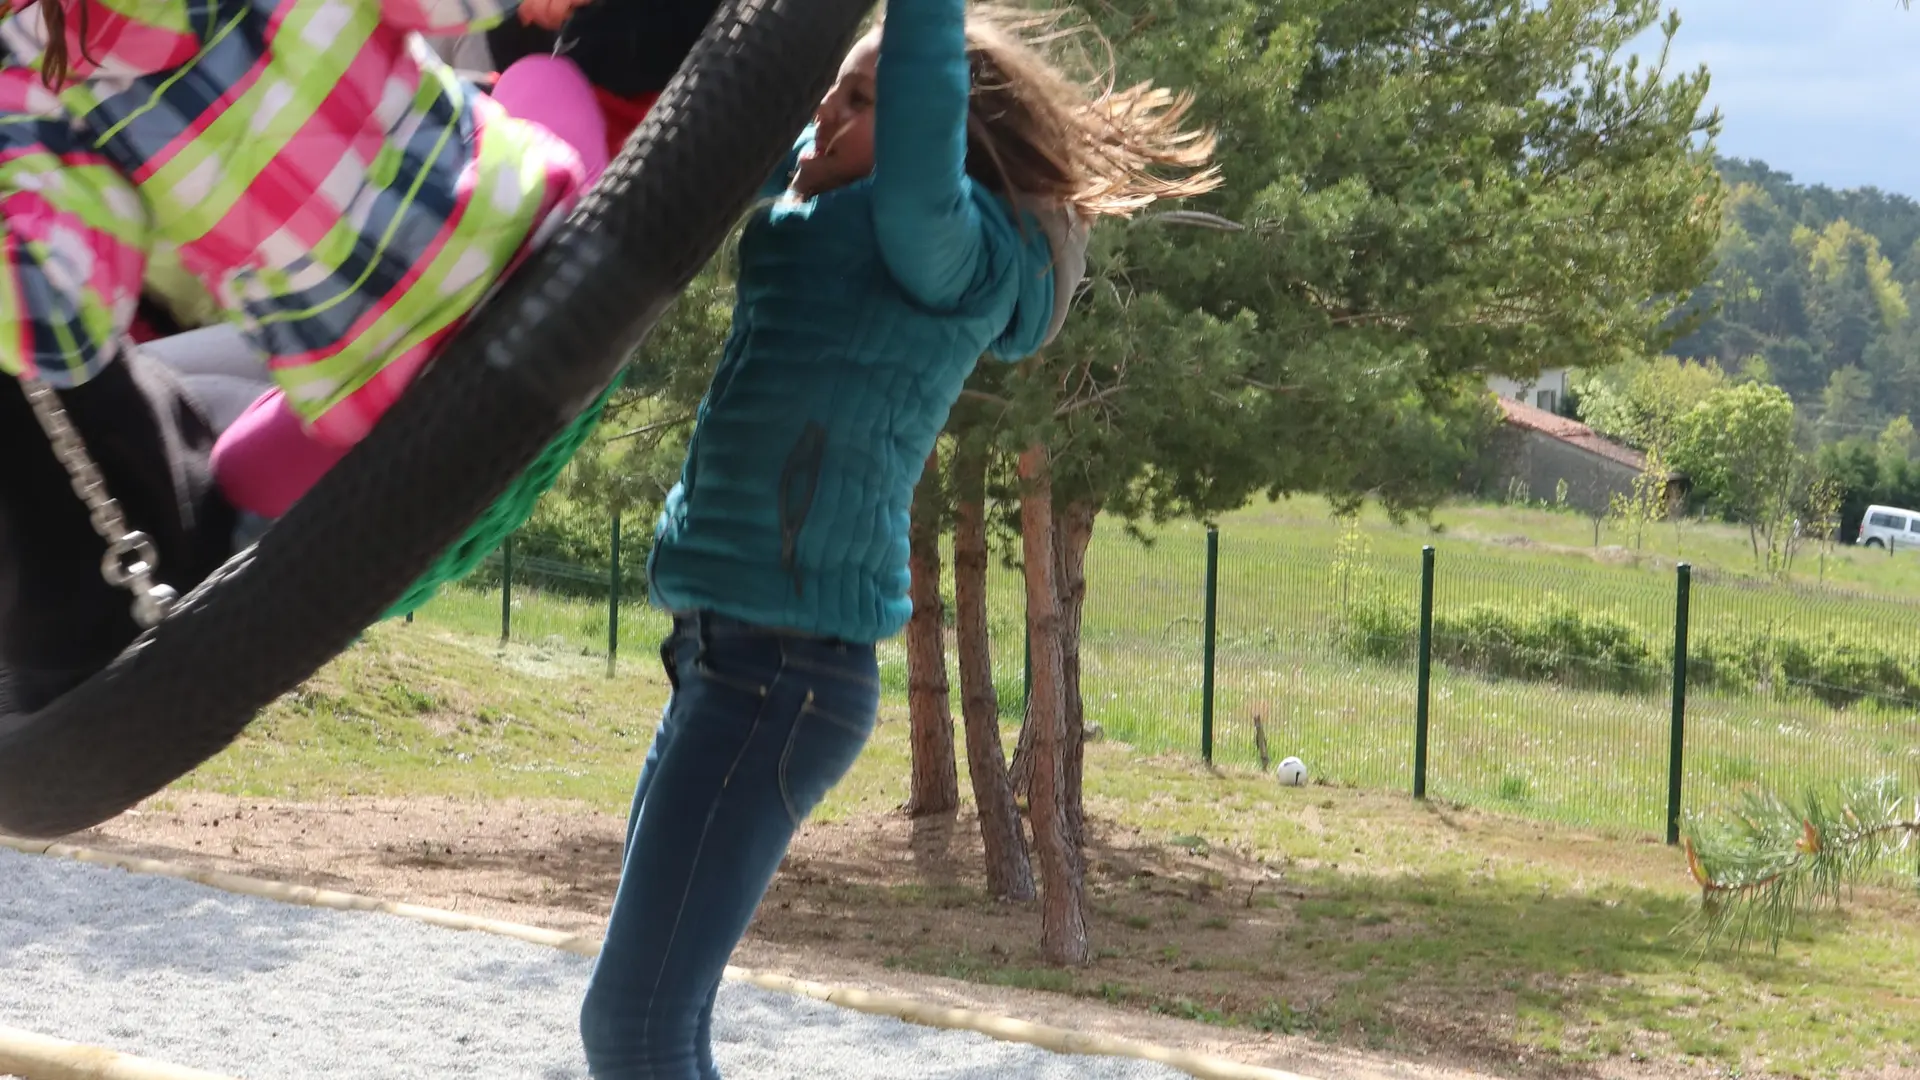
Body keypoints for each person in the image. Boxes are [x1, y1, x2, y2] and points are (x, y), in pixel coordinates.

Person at [573, 1, 1219, 1076]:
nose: (827, 108)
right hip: (725, 658)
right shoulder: (833, 201)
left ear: (938, 130)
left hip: (779, 674)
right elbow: (722, 107)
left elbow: (915, 153)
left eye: (863, 95)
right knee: (657, 1027)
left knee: (633, 1030)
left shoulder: (941, 245)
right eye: (836, 85)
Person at [0, 0, 711, 711]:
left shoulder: (38, 94)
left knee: (230, 482)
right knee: (543, 79)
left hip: (376, 386)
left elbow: (67, 325)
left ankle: (244, 617)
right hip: (531, 242)